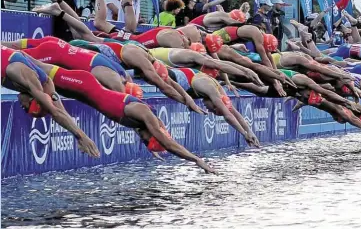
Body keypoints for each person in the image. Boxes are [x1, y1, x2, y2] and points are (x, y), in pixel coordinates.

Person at [19, 61, 215, 173]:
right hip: (82, 84)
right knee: (32, 65)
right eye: (148, 141)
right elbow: (170, 143)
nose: (144, 141)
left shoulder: (144, 123)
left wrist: (154, 149)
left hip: (82, 91)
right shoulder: (145, 115)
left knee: (40, 88)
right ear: (152, 134)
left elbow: (162, 136)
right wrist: (196, 160)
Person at [1, 45, 100, 158]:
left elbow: (61, 112)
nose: (22, 105)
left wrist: (81, 136)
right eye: (26, 107)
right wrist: (81, 137)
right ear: (34, 99)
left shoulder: (47, 85)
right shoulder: (20, 74)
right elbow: (55, 112)